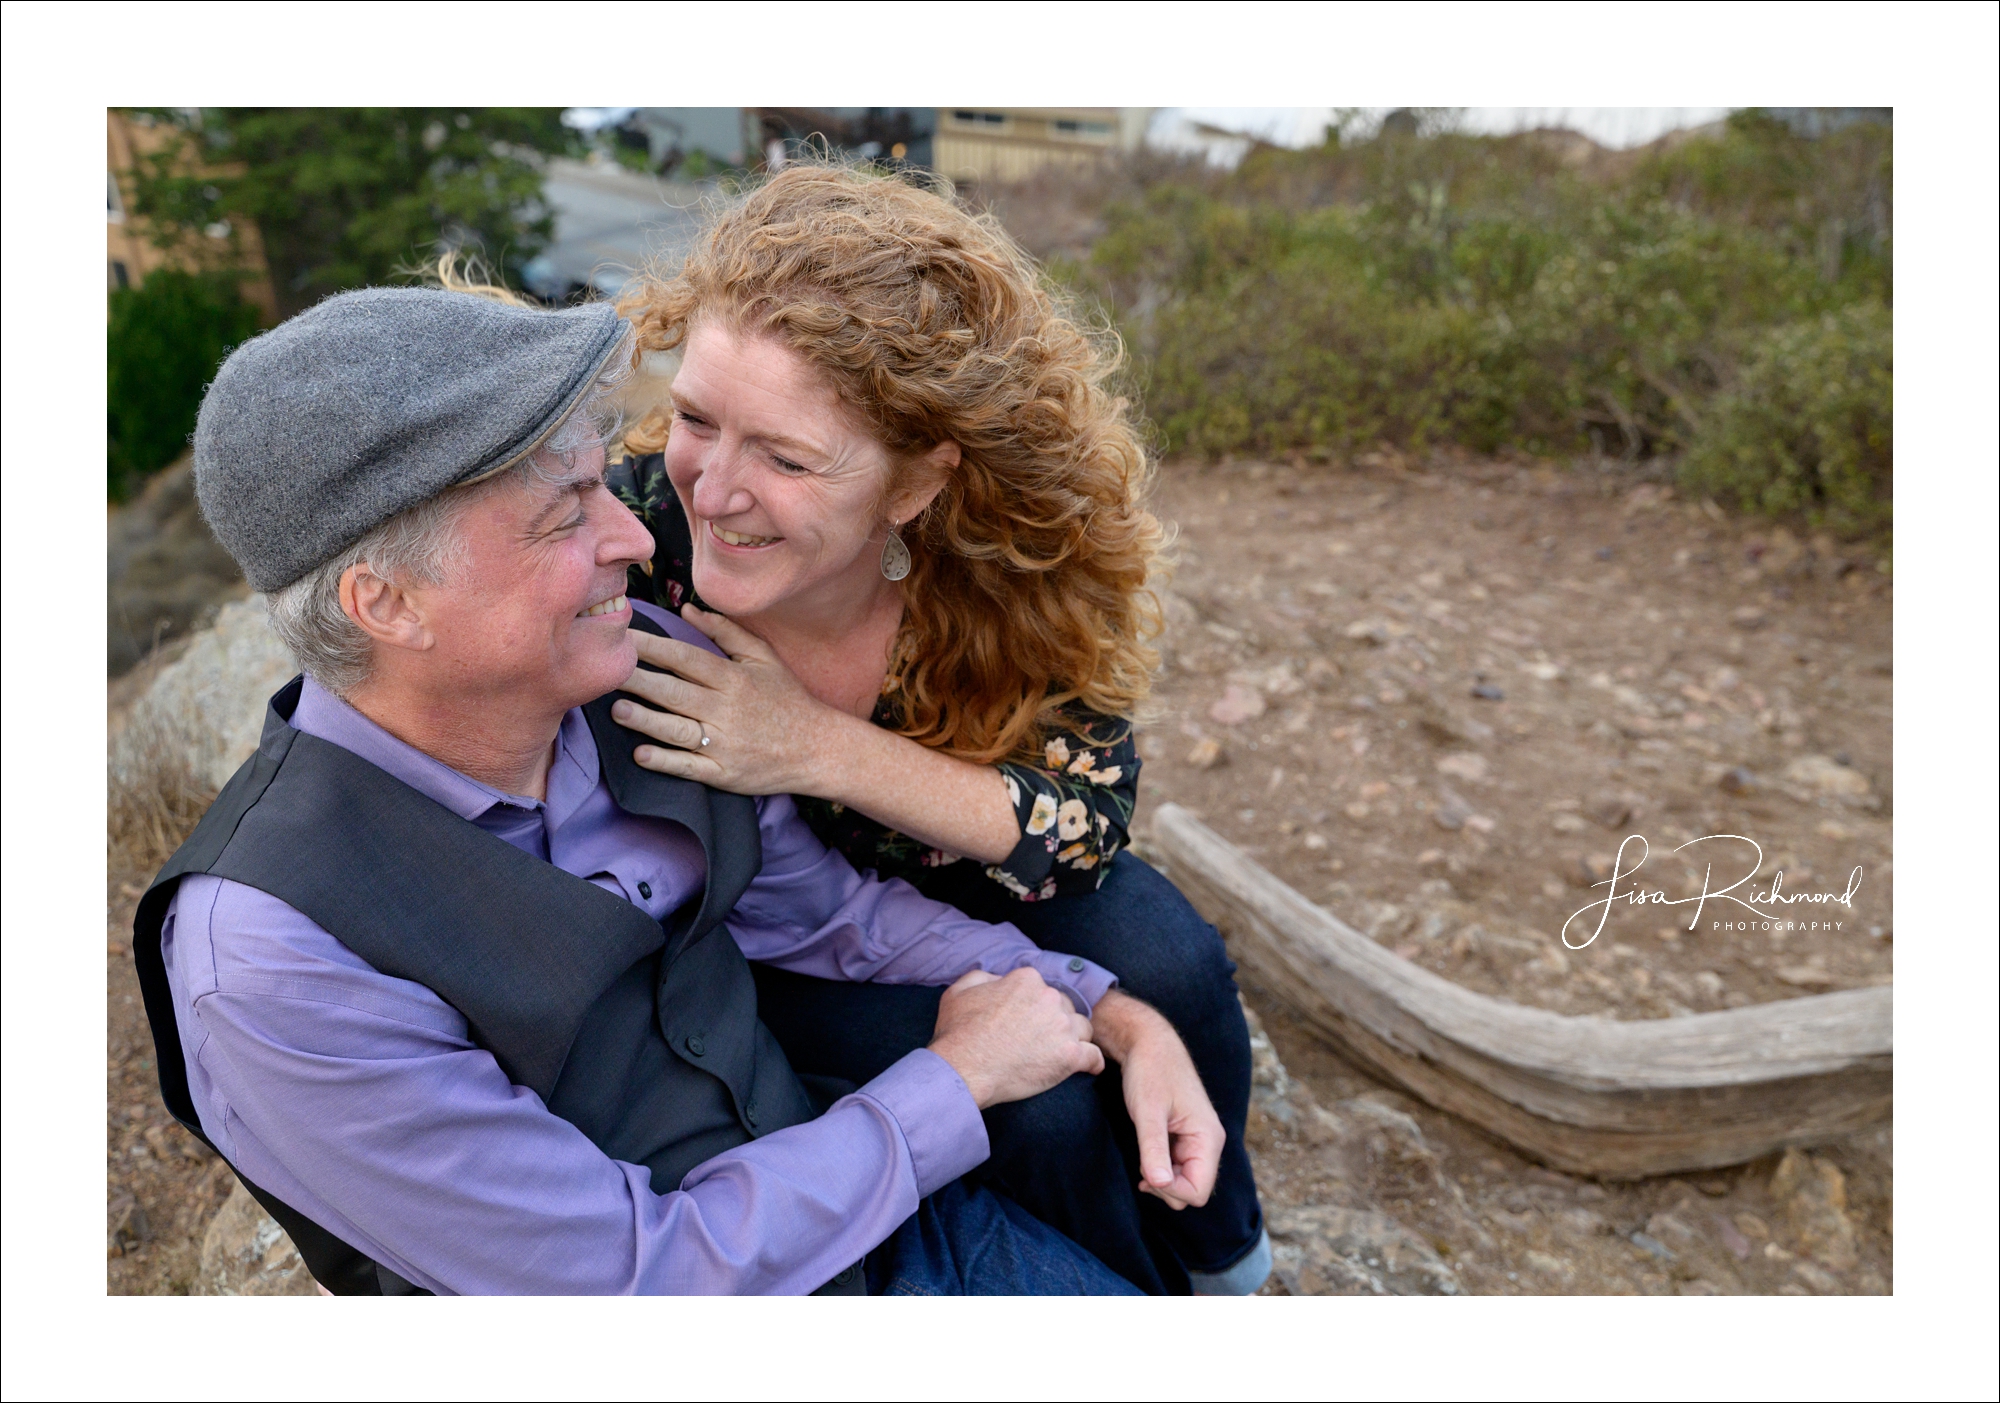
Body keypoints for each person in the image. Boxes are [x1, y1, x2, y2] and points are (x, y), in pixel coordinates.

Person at [132, 284, 1225, 1295]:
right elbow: (633, 1279)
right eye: (565, 513)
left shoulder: (642, 670)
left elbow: (832, 919)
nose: (634, 533)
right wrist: (946, 1084)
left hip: (881, 1231)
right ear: (388, 603)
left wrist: (1103, 1003)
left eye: (606, 480)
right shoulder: (273, 958)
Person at [604, 164, 1269, 1293]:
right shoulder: (637, 537)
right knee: (1044, 1100)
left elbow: (1081, 822)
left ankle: (1228, 1265)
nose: (711, 489)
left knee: (1176, 968)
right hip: (760, 927)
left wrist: (810, 743)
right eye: (697, 418)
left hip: (952, 861)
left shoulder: (1012, 567)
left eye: (783, 454)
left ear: (915, 483)